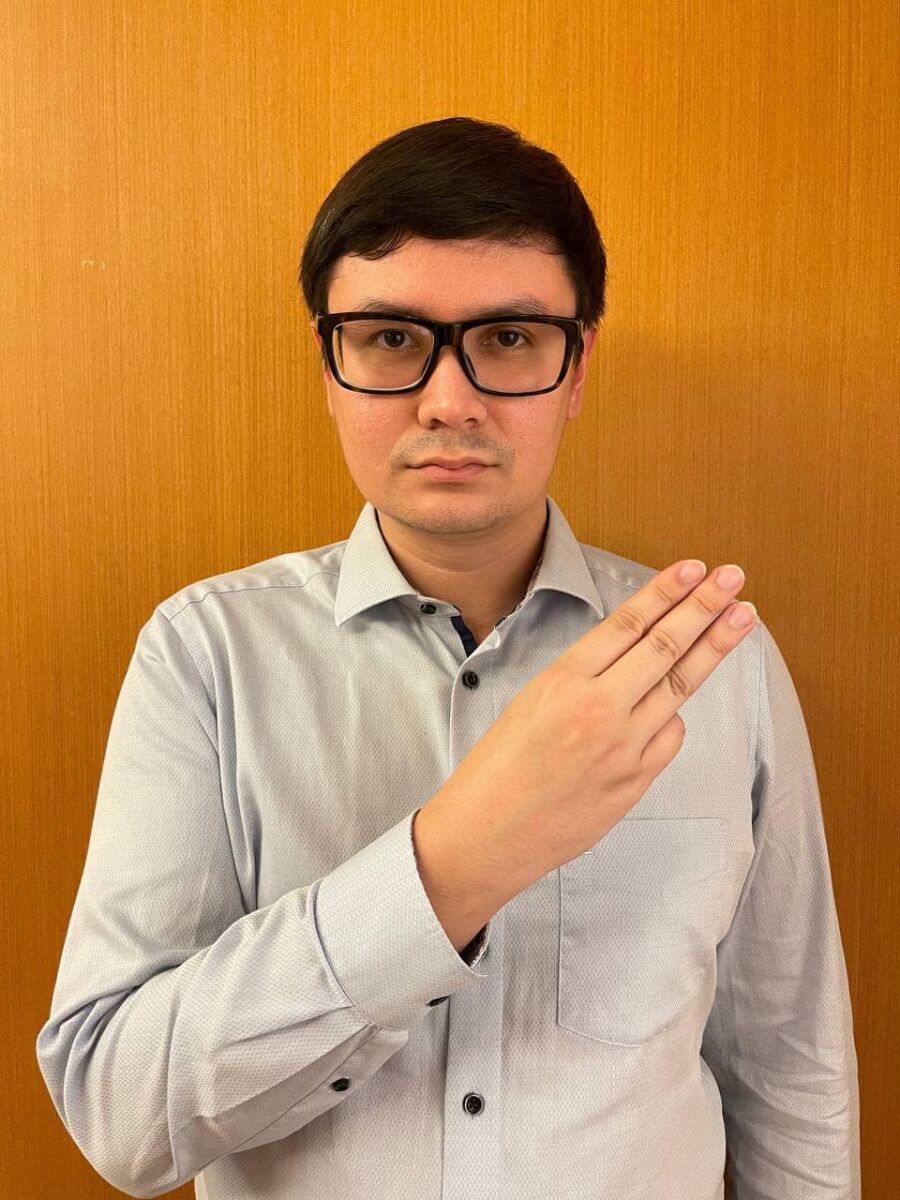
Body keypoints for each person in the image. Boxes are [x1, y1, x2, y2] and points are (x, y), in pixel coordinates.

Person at [35, 116, 860, 1199]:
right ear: (330, 366)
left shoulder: (714, 660)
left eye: (510, 338)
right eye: (391, 339)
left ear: (577, 367)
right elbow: (122, 1117)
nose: (450, 401)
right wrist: (456, 859)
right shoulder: (206, 654)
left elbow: (791, 1069)